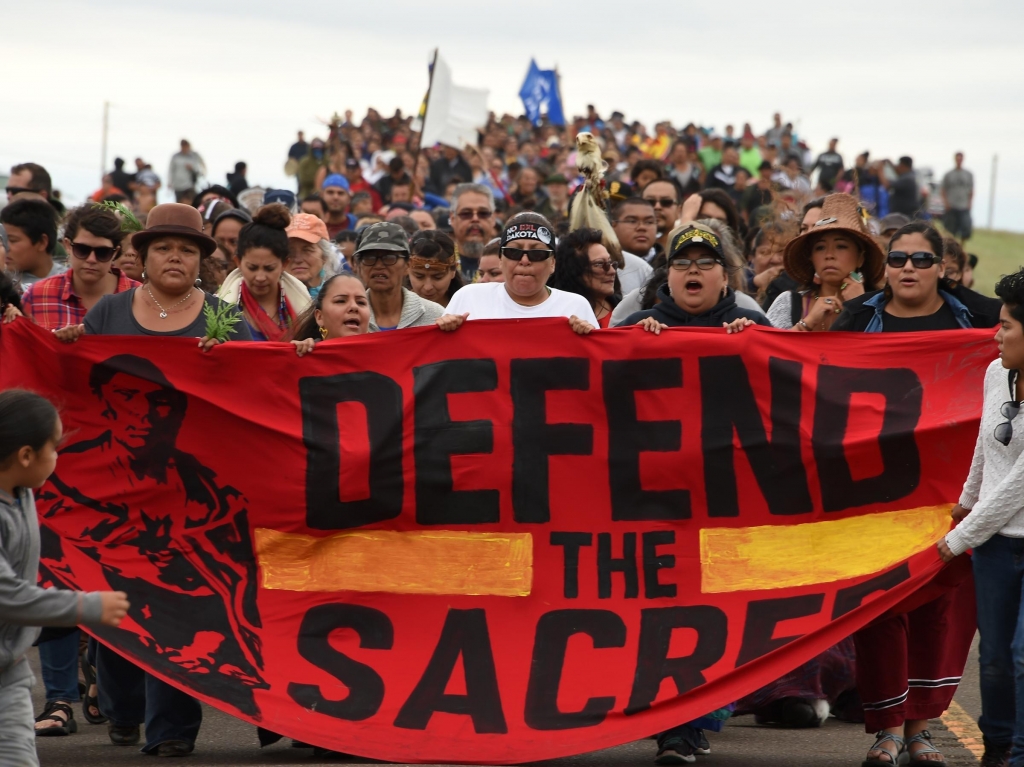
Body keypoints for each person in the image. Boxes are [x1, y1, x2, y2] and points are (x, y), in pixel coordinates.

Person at [0, 390, 129, 765]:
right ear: (26, 456)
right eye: (54, 447)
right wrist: (86, 605)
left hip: (10, 671)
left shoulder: (21, 490)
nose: (58, 456)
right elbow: (7, 594)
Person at [936, 267, 1024, 767]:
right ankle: (996, 749)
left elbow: (1019, 483)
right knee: (991, 660)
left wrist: (961, 536)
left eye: (1008, 325)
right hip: (994, 545)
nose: (997, 333)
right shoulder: (996, 373)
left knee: (1020, 656)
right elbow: (985, 444)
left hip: (992, 533)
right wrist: (966, 499)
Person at [439, 212, 598, 332]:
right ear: (501, 259)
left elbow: (596, 366)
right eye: (514, 251)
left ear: (552, 263)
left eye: (537, 253)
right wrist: (444, 331)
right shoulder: (469, 297)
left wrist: (586, 337)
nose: (524, 260)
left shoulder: (576, 306)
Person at [832, 222, 999, 332]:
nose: (908, 267)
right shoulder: (857, 318)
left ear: (941, 268)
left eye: (922, 260)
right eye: (897, 259)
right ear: (886, 268)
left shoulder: (981, 318)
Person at [619, 223, 771, 333]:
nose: (693, 269)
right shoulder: (637, 324)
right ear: (669, 276)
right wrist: (633, 339)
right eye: (682, 263)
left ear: (724, 277)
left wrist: (756, 338)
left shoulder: (753, 323)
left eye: (705, 262)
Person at [766, 193, 883, 330]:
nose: (829, 255)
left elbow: (880, 349)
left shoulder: (881, 307)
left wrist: (859, 306)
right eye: (820, 248)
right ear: (811, 257)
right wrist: (808, 323)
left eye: (841, 246)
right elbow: (767, 347)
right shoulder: (788, 303)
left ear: (860, 259)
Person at [21, 203, 138, 338]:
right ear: (67, 246)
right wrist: (53, 343)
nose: (91, 259)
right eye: (82, 250)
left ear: (115, 253)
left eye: (102, 252)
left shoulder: (141, 299)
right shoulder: (37, 296)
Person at [217, 204, 312, 340]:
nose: (260, 277)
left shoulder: (304, 309)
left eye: (269, 268)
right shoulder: (221, 308)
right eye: (252, 268)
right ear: (238, 262)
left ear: (284, 264)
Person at [353, 221, 444, 331]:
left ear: (407, 265)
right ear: (359, 266)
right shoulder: (351, 317)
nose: (378, 265)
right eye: (369, 258)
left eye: (389, 258)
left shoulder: (434, 316)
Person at [550, 227, 620, 328]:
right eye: (600, 264)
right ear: (574, 270)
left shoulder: (626, 309)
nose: (612, 271)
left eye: (610, 263)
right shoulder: (555, 315)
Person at [290, 273, 372, 357]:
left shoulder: (383, 356)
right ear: (319, 317)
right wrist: (292, 356)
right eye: (341, 301)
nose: (354, 307)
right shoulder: (304, 357)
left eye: (361, 302)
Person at [0, 197, 64, 292]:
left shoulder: (72, 282)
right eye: (2, 240)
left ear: (42, 242)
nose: (6, 247)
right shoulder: (4, 284)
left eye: (13, 240)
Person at [284, 213, 339, 299]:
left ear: (324, 257)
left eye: (307, 250)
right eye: (290, 251)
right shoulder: (271, 300)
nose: (298, 259)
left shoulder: (338, 297)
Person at [450, 183, 498, 280]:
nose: (475, 219)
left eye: (483, 213)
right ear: (452, 219)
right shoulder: (442, 258)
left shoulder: (505, 261)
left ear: (493, 219)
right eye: (466, 213)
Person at [406, 230, 463, 308]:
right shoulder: (395, 309)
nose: (428, 287)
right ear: (407, 268)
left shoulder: (466, 307)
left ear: (453, 270)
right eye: (419, 276)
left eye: (437, 277)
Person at [641, 179, 684, 263]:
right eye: (650, 202)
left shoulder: (686, 250)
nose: (657, 207)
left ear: (679, 210)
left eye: (666, 202)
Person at [941, 153, 974, 242]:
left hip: (963, 206)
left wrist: (970, 203)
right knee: (950, 230)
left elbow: (971, 190)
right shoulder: (948, 174)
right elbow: (943, 190)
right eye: (957, 159)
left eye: (960, 159)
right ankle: (951, 248)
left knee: (966, 228)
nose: (959, 161)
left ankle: (962, 247)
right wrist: (946, 203)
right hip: (951, 206)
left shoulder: (968, 174)